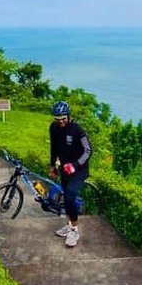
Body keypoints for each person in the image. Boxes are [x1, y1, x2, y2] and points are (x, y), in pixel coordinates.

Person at [49, 100, 91, 248]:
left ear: (68, 116)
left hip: (79, 170)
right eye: (57, 119)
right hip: (65, 169)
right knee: (66, 199)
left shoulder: (77, 130)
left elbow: (88, 151)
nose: (60, 122)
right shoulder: (53, 128)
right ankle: (68, 225)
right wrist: (52, 165)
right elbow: (53, 148)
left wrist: (75, 165)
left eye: (63, 119)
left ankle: (74, 230)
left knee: (70, 196)